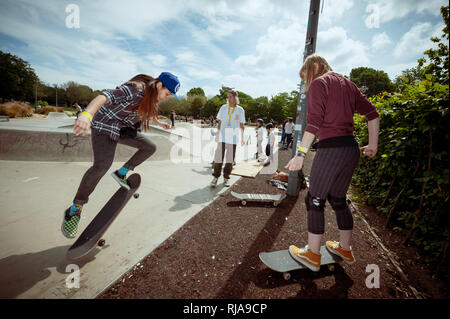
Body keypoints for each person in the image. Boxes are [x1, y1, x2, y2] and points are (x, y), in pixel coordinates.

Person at [285, 54, 380, 271]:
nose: (306, 82)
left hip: (332, 148)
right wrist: (373, 145)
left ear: (315, 66)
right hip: (351, 148)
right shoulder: (349, 84)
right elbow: (373, 114)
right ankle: (345, 248)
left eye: (305, 76)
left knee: (315, 199)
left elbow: (314, 123)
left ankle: (312, 254)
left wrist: (300, 154)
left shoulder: (319, 83)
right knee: (338, 198)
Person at [61, 72, 180, 238]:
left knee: (150, 147)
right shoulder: (136, 89)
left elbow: (149, 113)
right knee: (102, 166)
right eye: (167, 94)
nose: (167, 98)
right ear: (159, 85)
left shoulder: (151, 100)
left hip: (122, 130)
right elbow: (104, 97)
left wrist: (159, 123)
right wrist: (86, 114)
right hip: (104, 126)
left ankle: (121, 172)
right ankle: (75, 209)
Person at [211, 90, 245, 188]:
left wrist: (242, 137)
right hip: (222, 136)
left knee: (229, 160)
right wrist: (217, 134)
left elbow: (241, 124)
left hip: (233, 138)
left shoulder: (240, 110)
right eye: (228, 97)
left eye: (230, 97)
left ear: (235, 98)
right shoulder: (223, 108)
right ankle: (215, 177)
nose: (228, 99)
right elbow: (220, 122)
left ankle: (226, 178)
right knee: (218, 159)